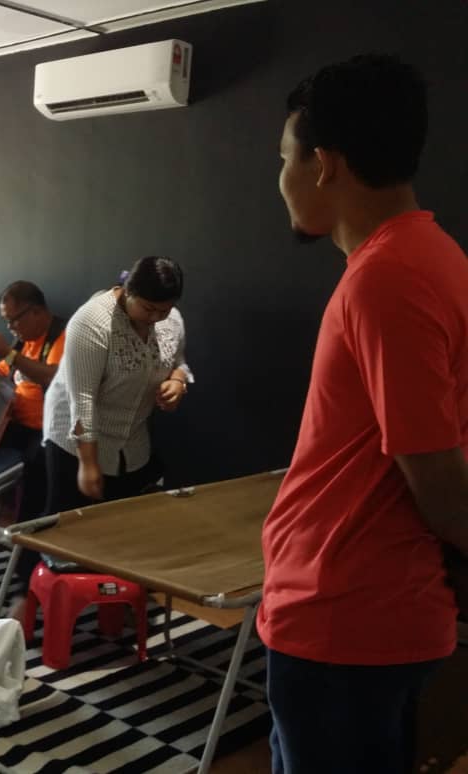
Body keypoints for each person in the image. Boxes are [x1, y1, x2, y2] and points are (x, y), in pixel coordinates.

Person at [260, 54, 468, 774]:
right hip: (358, 614)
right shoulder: (430, 257)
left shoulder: (387, 278)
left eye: (284, 159)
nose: (280, 179)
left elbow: (439, 479)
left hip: (346, 619)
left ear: (324, 164)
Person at [42, 256, 191, 516]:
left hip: (132, 437)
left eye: (164, 310)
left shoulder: (172, 320)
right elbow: (82, 399)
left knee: (121, 519)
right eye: (148, 309)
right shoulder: (91, 322)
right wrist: (88, 464)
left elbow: (179, 361)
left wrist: (177, 381)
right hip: (75, 437)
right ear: (128, 291)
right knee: (69, 522)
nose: (156, 318)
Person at [0, 280, 66, 580]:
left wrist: (7, 353)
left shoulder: (62, 336)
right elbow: (1, 379)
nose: (11, 327)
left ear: (37, 311)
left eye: (14, 319)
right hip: (15, 424)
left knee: (37, 469)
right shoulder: (21, 341)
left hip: (48, 431)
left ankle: (26, 572)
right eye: (7, 321)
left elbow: (53, 377)